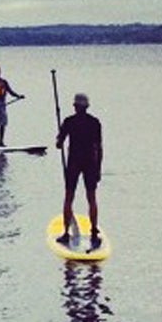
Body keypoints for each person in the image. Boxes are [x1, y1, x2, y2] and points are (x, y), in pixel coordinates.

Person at [56, 93, 103, 247]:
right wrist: (98, 169)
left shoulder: (69, 122)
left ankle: (65, 233)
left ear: (75, 107)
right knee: (92, 197)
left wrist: (59, 138)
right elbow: (99, 148)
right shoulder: (95, 122)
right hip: (90, 163)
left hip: (74, 162)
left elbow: (59, 143)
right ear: (86, 107)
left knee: (69, 196)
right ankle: (94, 231)